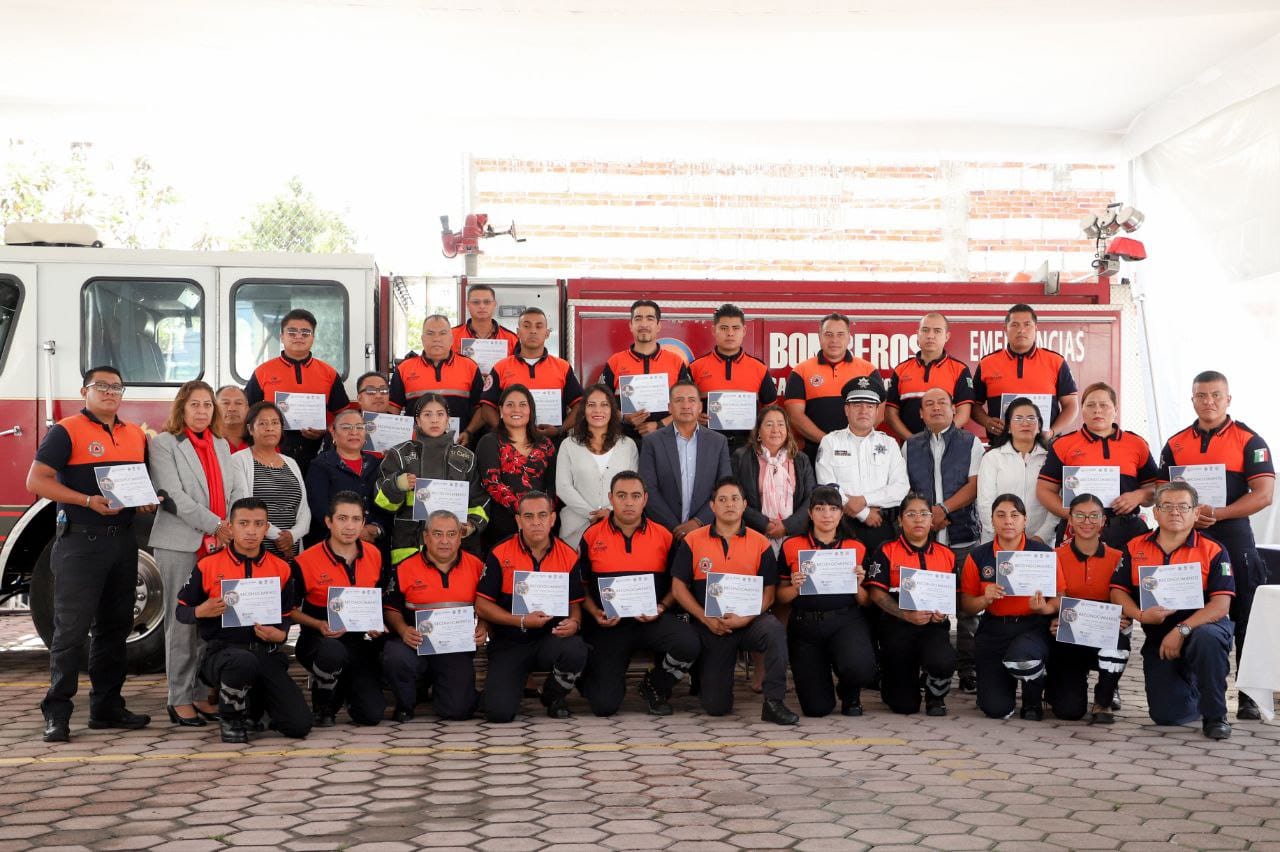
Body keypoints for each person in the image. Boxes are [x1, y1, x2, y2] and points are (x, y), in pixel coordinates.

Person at [28, 366, 155, 742]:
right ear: (85, 390)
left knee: (115, 628)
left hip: (123, 541)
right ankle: (57, 713)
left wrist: (145, 502)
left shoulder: (135, 434)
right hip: (81, 543)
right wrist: (86, 500)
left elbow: (137, 484)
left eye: (117, 386)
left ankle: (106, 707)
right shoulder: (66, 430)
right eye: (102, 386)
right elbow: (36, 481)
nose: (111, 392)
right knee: (69, 631)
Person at [1158, 370, 1274, 721]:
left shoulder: (1249, 440)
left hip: (1233, 534)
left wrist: (1220, 514)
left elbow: (1264, 495)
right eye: (1201, 395)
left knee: (1245, 613)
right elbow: (1162, 494)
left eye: (1215, 395)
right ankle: (1195, 681)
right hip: (1188, 538)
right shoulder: (1176, 443)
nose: (1208, 401)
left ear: (1228, 399)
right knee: (1187, 605)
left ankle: (1249, 693)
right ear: (1192, 400)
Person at [148, 380, 247, 727]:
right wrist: (216, 525)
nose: (202, 411)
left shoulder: (221, 444)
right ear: (182, 408)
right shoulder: (164, 444)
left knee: (212, 619)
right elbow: (172, 495)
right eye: (195, 405)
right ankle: (179, 698)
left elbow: (235, 489)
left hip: (219, 543)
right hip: (181, 542)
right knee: (182, 622)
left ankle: (203, 693)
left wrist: (232, 525)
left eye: (207, 405)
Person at [175, 497, 311, 743]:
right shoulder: (208, 565)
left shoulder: (281, 568)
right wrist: (201, 611)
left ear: (266, 527)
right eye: (244, 523)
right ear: (230, 526)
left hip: (264, 654)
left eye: (258, 524)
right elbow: (181, 612)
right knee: (241, 661)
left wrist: (280, 634)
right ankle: (231, 719)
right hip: (223, 655)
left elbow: (285, 616)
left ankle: (256, 707)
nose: (251, 531)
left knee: (299, 725)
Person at [1109, 481, 1236, 739]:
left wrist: (1182, 630)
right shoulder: (1135, 547)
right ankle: (1195, 686)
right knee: (1167, 716)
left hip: (1203, 627)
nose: (1175, 512)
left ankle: (1215, 716)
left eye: (1182, 506)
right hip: (1159, 636)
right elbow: (1117, 591)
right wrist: (1141, 615)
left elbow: (1221, 605)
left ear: (1195, 512)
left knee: (1207, 640)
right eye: (1166, 506)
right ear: (1155, 512)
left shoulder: (1213, 550)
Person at [671, 477, 799, 724]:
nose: (729, 504)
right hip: (711, 624)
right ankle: (707, 681)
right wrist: (704, 618)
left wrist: (747, 618)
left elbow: (770, 593)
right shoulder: (693, 540)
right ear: (712, 506)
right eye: (722, 499)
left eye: (735, 499)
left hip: (749, 621)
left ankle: (774, 701)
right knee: (716, 707)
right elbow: (678, 588)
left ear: (744, 505)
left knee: (773, 630)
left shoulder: (760, 542)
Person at [577, 471, 700, 716]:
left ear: (645, 499)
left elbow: (678, 585)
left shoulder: (664, 536)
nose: (629, 502)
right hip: (609, 625)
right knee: (604, 705)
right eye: (622, 496)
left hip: (652, 619)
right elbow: (580, 585)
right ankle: (593, 679)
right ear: (611, 498)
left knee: (689, 643)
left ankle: (654, 685)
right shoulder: (592, 535)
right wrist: (594, 612)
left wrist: (662, 607)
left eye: (635, 496)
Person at [475, 492, 589, 722]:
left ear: (553, 518)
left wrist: (575, 623)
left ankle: (553, 696)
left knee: (575, 649)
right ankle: (503, 690)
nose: (536, 522)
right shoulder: (500, 553)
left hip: (550, 639)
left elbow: (575, 604)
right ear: (518, 520)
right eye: (528, 516)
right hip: (510, 642)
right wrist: (521, 621)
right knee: (499, 713)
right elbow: (482, 605)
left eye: (542, 515)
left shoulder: (568, 555)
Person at [901, 388, 982, 692]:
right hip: (926, 542)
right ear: (921, 413)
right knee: (927, 605)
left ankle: (968, 668)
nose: (936, 408)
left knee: (967, 609)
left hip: (962, 537)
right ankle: (931, 666)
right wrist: (927, 515)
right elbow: (906, 489)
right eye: (929, 404)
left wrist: (944, 509)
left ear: (953, 409)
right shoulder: (910, 446)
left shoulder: (970, 442)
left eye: (942, 403)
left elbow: (975, 486)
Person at [960, 494, 1062, 721]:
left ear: (1025, 520)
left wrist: (1044, 608)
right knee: (995, 710)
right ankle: (1008, 681)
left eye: (1015, 515)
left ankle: (1033, 696)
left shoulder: (1044, 554)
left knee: (1024, 657)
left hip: (1032, 628)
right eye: (1001, 515)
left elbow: (1059, 598)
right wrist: (983, 600)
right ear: (992, 520)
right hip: (994, 629)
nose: (1008, 521)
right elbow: (967, 606)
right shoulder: (978, 556)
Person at [776, 486, 876, 717]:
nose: (826, 514)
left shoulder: (856, 548)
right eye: (820, 508)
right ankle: (824, 687)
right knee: (816, 709)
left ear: (842, 514)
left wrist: (857, 585)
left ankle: (849, 690)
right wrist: (796, 587)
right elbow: (780, 597)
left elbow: (867, 602)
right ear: (810, 514)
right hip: (805, 626)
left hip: (846, 620)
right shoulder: (792, 545)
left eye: (833, 508)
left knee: (861, 669)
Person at [290, 492, 388, 727]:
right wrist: (318, 625)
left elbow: (381, 598)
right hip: (319, 641)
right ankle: (323, 705)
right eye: (342, 518)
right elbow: (289, 610)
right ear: (328, 521)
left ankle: (343, 687)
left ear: (364, 523)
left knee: (371, 715)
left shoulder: (374, 554)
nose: (349, 526)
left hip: (358, 642)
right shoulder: (306, 561)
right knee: (332, 652)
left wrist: (377, 623)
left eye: (356, 519)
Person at [382, 510, 488, 721]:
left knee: (458, 711)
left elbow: (487, 605)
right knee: (394, 655)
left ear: (460, 536)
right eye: (438, 534)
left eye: (451, 534)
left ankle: (445, 689)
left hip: (454, 649)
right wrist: (403, 630)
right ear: (426, 536)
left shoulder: (477, 566)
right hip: (414, 646)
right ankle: (406, 704)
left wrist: (484, 626)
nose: (444, 541)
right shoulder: (404, 567)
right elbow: (390, 608)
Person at [864, 492, 958, 716]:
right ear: (900, 520)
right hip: (898, 627)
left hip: (933, 626)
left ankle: (935, 694)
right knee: (903, 706)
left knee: (943, 660)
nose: (918, 519)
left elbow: (954, 597)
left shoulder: (947, 555)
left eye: (924, 514)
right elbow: (876, 594)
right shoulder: (886, 550)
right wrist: (906, 616)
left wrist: (942, 614)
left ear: (931, 520)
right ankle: (894, 679)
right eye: (911, 514)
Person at [1037, 382, 1158, 548]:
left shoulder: (1137, 444)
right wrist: (1077, 517)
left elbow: (1156, 488)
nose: (1097, 410)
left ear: (1115, 409)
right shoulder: (1063, 444)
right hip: (1078, 531)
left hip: (1127, 531)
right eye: (1090, 405)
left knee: (1128, 575)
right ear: (1082, 411)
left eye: (1104, 405)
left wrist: (1139, 496)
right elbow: (1044, 490)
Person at [1045, 494, 1129, 724]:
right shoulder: (1054, 557)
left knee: (1120, 645)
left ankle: (1104, 698)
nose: (1087, 521)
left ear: (1103, 521)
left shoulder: (1118, 558)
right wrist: (1053, 619)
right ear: (1069, 520)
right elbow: (1051, 599)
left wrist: (1126, 619)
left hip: (1103, 635)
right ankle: (1056, 686)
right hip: (1067, 639)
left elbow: (1125, 600)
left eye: (1094, 516)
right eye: (1080, 515)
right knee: (1068, 712)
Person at [375, 393, 487, 565]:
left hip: (456, 549)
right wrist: (397, 485)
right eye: (427, 414)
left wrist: (471, 525)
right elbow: (383, 504)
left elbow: (479, 502)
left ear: (448, 419)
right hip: (410, 546)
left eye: (440, 414)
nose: (434, 420)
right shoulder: (399, 454)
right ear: (417, 421)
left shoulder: (466, 457)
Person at [244, 308, 350, 473]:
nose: (298, 336)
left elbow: (343, 415)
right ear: (282, 336)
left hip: (318, 450)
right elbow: (248, 410)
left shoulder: (328, 373)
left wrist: (326, 430)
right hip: (272, 448)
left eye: (305, 332)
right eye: (292, 332)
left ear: (313, 338)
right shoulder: (263, 371)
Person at [815, 379, 910, 554]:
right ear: (846, 410)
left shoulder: (889, 444)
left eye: (869, 405)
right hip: (840, 526)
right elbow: (827, 486)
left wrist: (863, 500)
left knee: (880, 580)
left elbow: (901, 488)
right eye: (857, 404)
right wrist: (864, 514)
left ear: (876, 411)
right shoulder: (830, 441)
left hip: (881, 524)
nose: (863, 410)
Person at [638, 380, 732, 541]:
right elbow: (648, 490)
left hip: (706, 533)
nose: (686, 405)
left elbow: (725, 489)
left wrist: (698, 522)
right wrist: (676, 528)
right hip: (664, 534)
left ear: (700, 407)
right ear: (669, 407)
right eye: (679, 400)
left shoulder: (718, 442)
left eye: (692, 400)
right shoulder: (652, 442)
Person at [784, 313, 885, 460]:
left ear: (849, 337)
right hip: (816, 452)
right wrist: (829, 442)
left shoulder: (868, 370)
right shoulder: (801, 371)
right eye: (828, 334)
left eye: (840, 334)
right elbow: (795, 416)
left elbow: (879, 413)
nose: (834, 340)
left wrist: (853, 441)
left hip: (860, 452)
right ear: (819, 337)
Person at [971, 303, 1079, 441]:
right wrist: (986, 422)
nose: (1021, 330)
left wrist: (1052, 432)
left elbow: (1071, 405)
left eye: (1027, 324)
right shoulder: (987, 363)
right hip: (1001, 446)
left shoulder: (1056, 361)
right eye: (1015, 325)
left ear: (1036, 329)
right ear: (1005, 329)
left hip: (1045, 446)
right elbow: (973, 405)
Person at [555, 385, 639, 548]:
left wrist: (609, 512)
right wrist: (592, 514)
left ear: (613, 411)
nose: (597, 410)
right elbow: (563, 487)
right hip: (574, 531)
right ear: (583, 410)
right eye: (591, 405)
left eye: (604, 405)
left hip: (617, 525)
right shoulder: (569, 445)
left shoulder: (627, 445)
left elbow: (633, 488)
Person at [482, 307, 584, 439]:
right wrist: (505, 433)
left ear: (547, 333)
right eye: (527, 326)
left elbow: (580, 404)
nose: (533, 331)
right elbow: (486, 407)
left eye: (539, 326)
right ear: (518, 332)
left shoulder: (562, 367)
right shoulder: (501, 367)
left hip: (551, 445)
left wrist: (560, 430)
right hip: (511, 448)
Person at [476, 385, 558, 548]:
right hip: (503, 525)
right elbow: (492, 484)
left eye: (522, 404)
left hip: (542, 524)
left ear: (530, 410)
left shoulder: (545, 444)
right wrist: (525, 511)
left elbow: (553, 484)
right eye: (510, 405)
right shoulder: (489, 441)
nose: (516, 410)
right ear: (500, 410)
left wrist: (542, 514)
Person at [689, 303, 778, 453]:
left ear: (744, 331)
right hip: (706, 447)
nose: (730, 333)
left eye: (735, 328)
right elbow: (682, 408)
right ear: (714, 330)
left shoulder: (759, 368)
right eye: (724, 328)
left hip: (749, 449)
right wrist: (694, 418)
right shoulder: (695, 367)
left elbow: (772, 411)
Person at [389, 315, 486, 448]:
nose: (436, 338)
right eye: (430, 333)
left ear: (451, 338)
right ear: (422, 339)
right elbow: (393, 410)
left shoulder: (470, 367)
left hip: (459, 445)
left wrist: (469, 432)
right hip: (416, 448)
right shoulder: (404, 368)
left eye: (442, 333)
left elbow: (481, 409)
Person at [599, 299, 692, 437]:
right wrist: (624, 418)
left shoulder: (676, 362)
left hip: (667, 440)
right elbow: (600, 404)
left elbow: (689, 406)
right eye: (638, 318)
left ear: (658, 325)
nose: (643, 324)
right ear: (631, 325)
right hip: (624, 441)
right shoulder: (615, 362)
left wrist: (660, 425)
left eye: (650, 318)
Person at [229, 401, 310, 559]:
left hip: (291, 548)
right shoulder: (238, 460)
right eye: (262, 423)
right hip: (257, 548)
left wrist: (292, 536)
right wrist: (279, 537)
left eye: (275, 423)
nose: (270, 428)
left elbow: (304, 510)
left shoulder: (291, 462)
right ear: (250, 429)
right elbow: (244, 504)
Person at [977, 397, 1058, 545]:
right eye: (1018, 418)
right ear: (1008, 427)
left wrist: (1042, 536)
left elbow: (1056, 503)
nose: (1025, 423)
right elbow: (985, 503)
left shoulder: (1051, 459)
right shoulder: (992, 458)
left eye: (1031, 418)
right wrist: (1003, 536)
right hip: (998, 541)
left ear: (1040, 426)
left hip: (1041, 541)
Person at [733, 404, 816, 547]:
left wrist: (787, 526)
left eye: (780, 425)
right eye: (769, 424)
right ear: (758, 431)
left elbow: (811, 498)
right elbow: (734, 497)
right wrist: (764, 524)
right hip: (753, 536)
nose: (775, 430)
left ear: (787, 430)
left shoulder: (801, 459)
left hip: (795, 537)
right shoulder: (741, 457)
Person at [884, 312, 975, 440]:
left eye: (937, 331)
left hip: (949, 446)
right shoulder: (901, 369)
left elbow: (963, 414)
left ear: (947, 336)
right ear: (918, 334)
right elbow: (890, 414)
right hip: (910, 447)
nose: (930, 336)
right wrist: (913, 441)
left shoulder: (960, 369)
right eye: (925, 330)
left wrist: (939, 439)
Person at [304, 408, 386, 546]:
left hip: (372, 543)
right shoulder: (321, 465)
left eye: (359, 427)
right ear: (334, 433)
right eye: (346, 427)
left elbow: (384, 504)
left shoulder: (376, 465)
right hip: (331, 543)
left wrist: (375, 529)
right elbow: (319, 508)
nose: (354, 432)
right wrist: (355, 531)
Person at [451, 282, 520, 357]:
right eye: (476, 302)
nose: (482, 306)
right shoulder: (451, 336)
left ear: (494, 304)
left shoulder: (511, 338)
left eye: (487, 302)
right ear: (468, 305)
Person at [216, 385, 251, 454]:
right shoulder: (205, 441)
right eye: (225, 403)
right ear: (214, 408)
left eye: (238, 403)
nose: (232, 409)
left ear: (247, 408)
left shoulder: (260, 439)